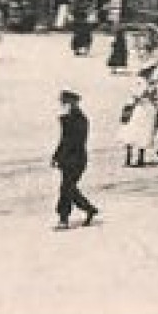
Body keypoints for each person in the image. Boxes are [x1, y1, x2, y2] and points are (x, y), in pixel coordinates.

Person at [51, 89, 98, 229]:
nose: (63, 105)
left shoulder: (79, 119)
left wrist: (60, 156)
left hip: (76, 159)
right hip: (69, 159)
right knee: (69, 189)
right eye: (62, 102)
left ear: (73, 103)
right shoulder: (69, 118)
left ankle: (64, 219)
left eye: (65, 102)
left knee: (66, 189)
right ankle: (88, 209)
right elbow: (63, 140)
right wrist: (56, 156)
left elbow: (73, 141)